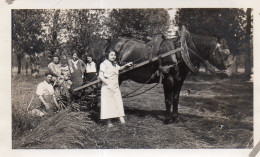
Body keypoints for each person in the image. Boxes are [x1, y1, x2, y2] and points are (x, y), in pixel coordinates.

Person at [98, 50, 133, 127]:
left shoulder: (114, 64)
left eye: (114, 55)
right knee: (108, 104)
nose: (113, 56)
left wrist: (126, 65)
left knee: (118, 101)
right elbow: (100, 76)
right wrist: (108, 84)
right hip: (107, 87)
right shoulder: (104, 64)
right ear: (107, 55)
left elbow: (119, 68)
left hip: (115, 86)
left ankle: (121, 118)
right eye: (111, 55)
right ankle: (109, 121)